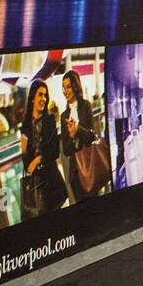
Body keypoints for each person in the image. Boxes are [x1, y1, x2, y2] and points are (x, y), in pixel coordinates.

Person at [20, 79, 67, 218]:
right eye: (40, 94)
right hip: (35, 185)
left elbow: (55, 151)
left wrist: (38, 160)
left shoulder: (50, 120)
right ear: (33, 98)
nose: (43, 99)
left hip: (51, 181)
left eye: (45, 95)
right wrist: (24, 152)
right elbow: (26, 162)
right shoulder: (25, 125)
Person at [59, 69, 97, 201]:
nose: (66, 91)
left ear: (76, 86)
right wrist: (71, 136)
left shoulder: (86, 106)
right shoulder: (63, 116)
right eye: (64, 88)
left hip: (90, 168)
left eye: (68, 86)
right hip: (76, 175)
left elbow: (92, 138)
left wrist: (77, 131)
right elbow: (66, 150)